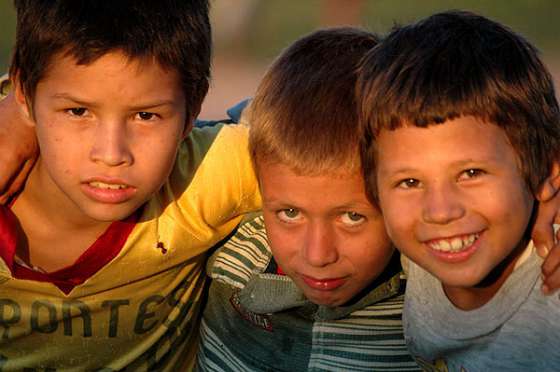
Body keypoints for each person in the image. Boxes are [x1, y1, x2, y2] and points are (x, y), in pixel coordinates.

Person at [0, 1, 260, 370]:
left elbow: (323, 123)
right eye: (78, 111)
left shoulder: (200, 179)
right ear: (25, 92)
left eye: (145, 115)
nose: (111, 154)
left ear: (193, 107)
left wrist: (17, 117)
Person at [197, 27, 420, 371]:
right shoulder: (225, 233)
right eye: (289, 213)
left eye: (352, 217)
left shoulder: (428, 297)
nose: (317, 255)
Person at [358, 10, 560, 370]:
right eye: (409, 182)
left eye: (470, 173)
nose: (440, 211)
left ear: (545, 170)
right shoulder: (415, 255)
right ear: (375, 190)